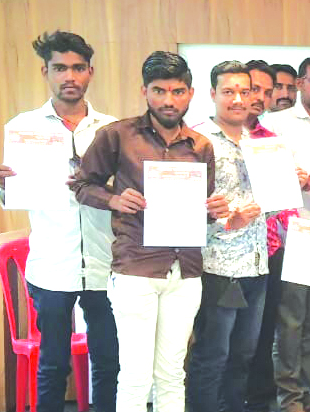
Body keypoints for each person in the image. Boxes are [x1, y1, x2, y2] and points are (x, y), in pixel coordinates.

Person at [71, 51, 230, 412]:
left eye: (177, 91)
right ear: (145, 91)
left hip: (186, 271)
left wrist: (214, 212)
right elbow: (82, 185)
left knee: (172, 374)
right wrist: (114, 199)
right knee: (135, 376)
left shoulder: (201, 146)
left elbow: (200, 212)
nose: (168, 100)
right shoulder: (117, 135)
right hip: (136, 269)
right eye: (159, 91)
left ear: (190, 94)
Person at [0, 31, 119, 412]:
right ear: (45, 72)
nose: (70, 76)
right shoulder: (24, 127)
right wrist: (4, 187)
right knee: (52, 365)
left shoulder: (112, 129)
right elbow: (12, 198)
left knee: (108, 361)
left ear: (90, 72)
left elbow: (125, 191)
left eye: (78, 68)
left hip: (105, 262)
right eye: (60, 68)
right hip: (51, 265)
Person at [184, 60, 281, 412]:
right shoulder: (195, 141)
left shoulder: (262, 145)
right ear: (213, 94)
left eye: (245, 91)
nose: (238, 99)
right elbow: (179, 206)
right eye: (229, 91)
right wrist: (225, 222)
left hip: (257, 265)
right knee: (212, 355)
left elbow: (272, 206)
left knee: (244, 355)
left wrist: (290, 183)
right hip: (218, 267)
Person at [260, 56, 310, 412]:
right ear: (299, 83)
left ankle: (308, 391)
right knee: (290, 322)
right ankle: (288, 397)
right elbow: (263, 175)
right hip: (290, 235)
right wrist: (300, 179)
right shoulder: (275, 124)